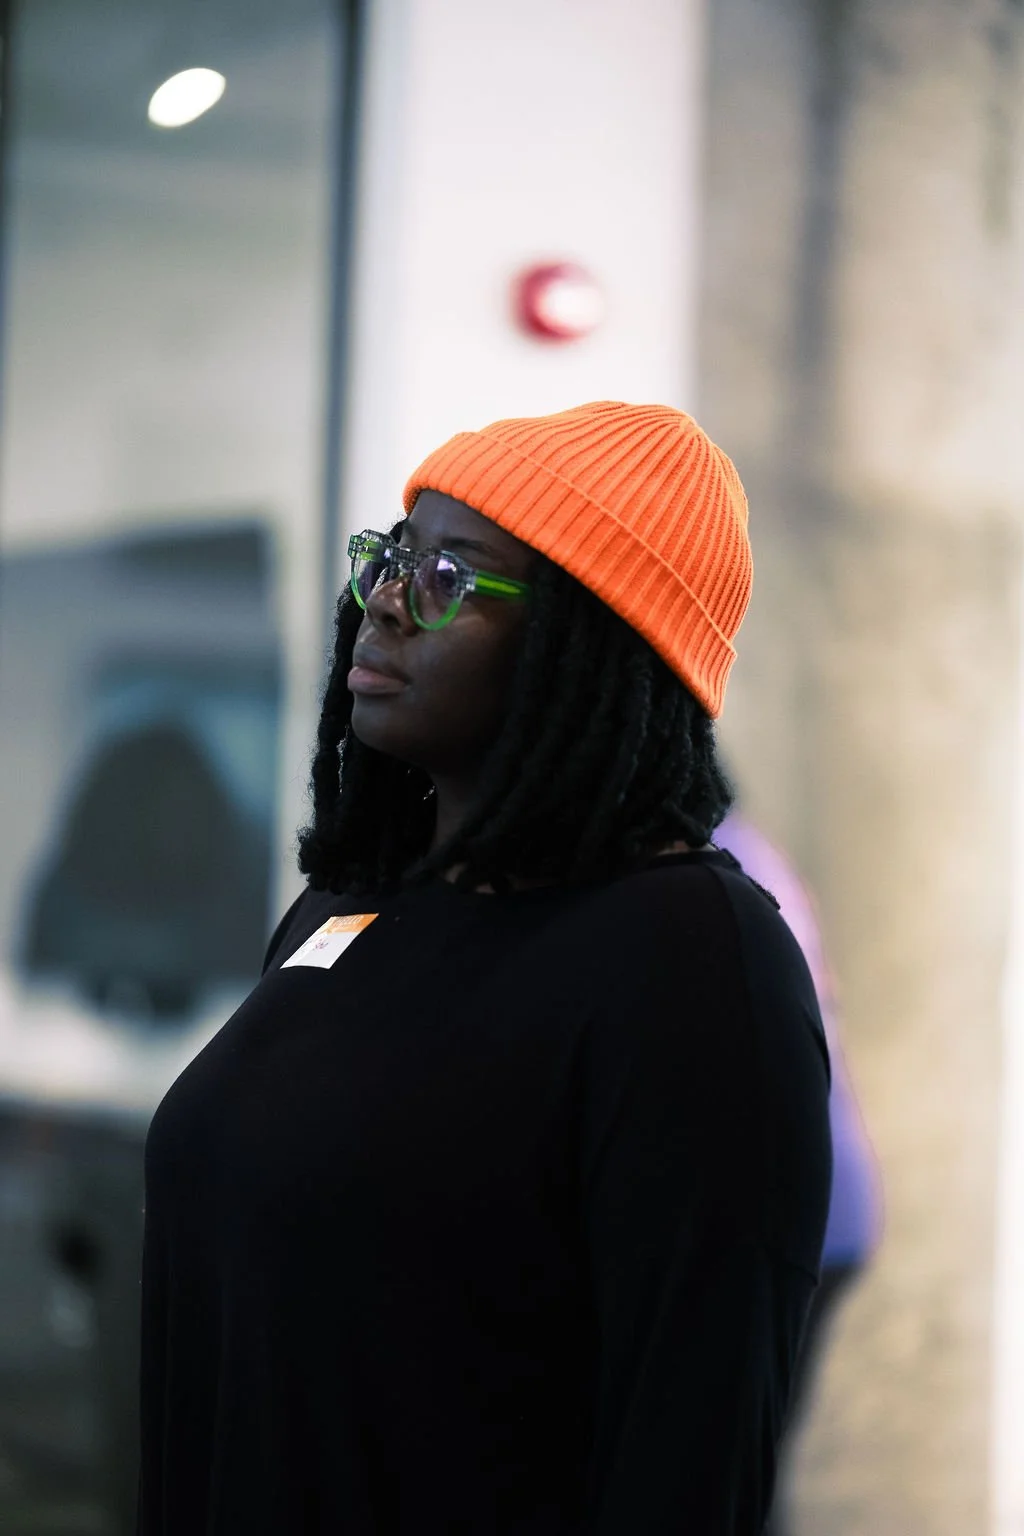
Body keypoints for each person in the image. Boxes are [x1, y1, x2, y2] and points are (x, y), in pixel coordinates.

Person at [137, 401, 832, 1535]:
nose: (388, 606)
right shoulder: (353, 904)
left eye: (453, 578)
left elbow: (687, 1447)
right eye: (395, 559)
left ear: (588, 646)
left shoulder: (689, 957)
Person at [715, 812, 882, 1536]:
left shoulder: (704, 871)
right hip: (832, 1207)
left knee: (728, 1479)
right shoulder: (743, 850)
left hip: (801, 1216)